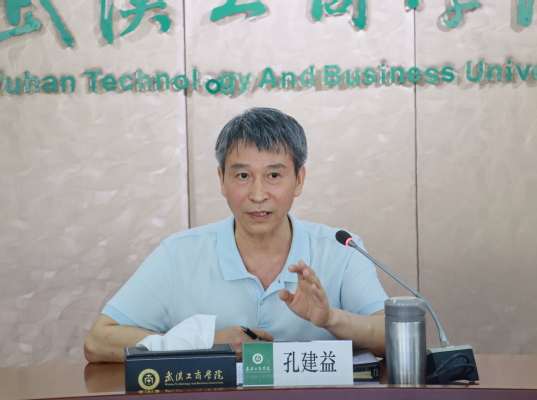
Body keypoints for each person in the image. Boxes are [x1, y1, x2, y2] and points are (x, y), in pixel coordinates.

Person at [84, 107, 388, 363]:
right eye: (243, 175)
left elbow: (391, 336)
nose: (258, 195)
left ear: (299, 180)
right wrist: (205, 345)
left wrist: (331, 319)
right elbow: (99, 341)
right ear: (222, 180)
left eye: (273, 175)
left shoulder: (342, 250)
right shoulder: (178, 254)